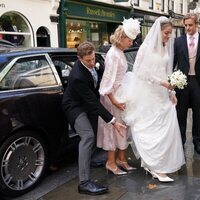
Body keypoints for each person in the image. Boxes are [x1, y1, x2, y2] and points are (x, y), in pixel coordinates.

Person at [116, 16, 185, 182]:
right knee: (150, 129)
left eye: (170, 33)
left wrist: (171, 91)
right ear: (158, 31)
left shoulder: (165, 47)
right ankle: (154, 166)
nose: (169, 37)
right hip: (149, 94)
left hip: (162, 94)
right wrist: (162, 83)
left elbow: (166, 70)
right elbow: (139, 72)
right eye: (166, 33)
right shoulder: (145, 47)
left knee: (165, 129)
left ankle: (159, 164)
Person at [62, 41, 126, 195]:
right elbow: (92, 101)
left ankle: (90, 160)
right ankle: (84, 183)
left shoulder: (94, 63)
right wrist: (113, 121)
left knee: (95, 133)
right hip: (74, 107)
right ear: (79, 58)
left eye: (93, 59)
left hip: (87, 104)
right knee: (88, 136)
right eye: (88, 61)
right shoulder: (77, 76)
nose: (92, 63)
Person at [97, 18, 140, 175]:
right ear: (122, 38)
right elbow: (107, 82)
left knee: (122, 128)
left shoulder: (119, 52)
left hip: (120, 95)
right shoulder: (113, 54)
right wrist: (114, 102)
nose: (131, 43)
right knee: (113, 129)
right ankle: (111, 162)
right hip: (112, 98)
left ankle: (121, 159)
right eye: (129, 40)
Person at [173, 13, 200, 154]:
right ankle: (180, 141)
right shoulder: (178, 41)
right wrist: (172, 81)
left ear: (196, 24)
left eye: (190, 25)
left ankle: (197, 141)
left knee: (198, 113)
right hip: (182, 82)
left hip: (198, 81)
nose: (188, 28)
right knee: (181, 113)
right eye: (186, 25)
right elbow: (173, 62)